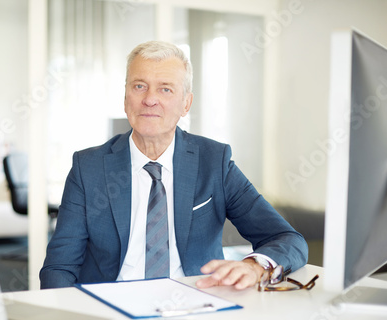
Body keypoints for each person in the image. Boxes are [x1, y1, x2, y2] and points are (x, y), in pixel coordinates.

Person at [40, 41, 308, 290]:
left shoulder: (214, 162)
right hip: (112, 311)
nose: (150, 99)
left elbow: (288, 239)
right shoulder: (88, 168)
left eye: (165, 89)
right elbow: (60, 267)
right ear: (125, 99)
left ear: (186, 103)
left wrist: (254, 266)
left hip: (196, 306)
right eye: (139, 86)